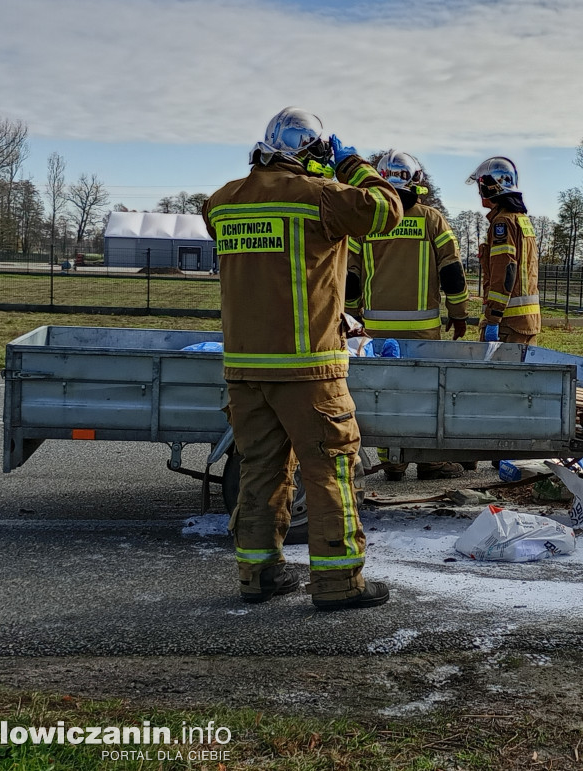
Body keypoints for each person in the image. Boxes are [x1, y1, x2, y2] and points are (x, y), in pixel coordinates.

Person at [202, 107, 403, 610]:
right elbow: (386, 209)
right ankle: (339, 583)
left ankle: (258, 575)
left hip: (245, 369)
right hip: (308, 367)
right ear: (314, 152)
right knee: (330, 471)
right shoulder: (319, 196)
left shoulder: (222, 203)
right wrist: (351, 163)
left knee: (260, 471)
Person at [345, 149, 470, 481]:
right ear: (416, 182)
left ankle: (393, 462)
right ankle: (429, 462)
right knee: (424, 394)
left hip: (376, 331)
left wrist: (351, 317)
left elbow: (350, 279)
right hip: (423, 331)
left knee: (384, 394)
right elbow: (452, 272)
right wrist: (459, 314)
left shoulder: (366, 225)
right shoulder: (431, 219)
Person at [466, 157, 540, 344]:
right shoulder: (521, 219)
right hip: (527, 322)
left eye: (480, 186)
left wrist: (493, 317)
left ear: (489, 188)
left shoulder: (502, 222)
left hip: (507, 324)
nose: (479, 192)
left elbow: (504, 270)